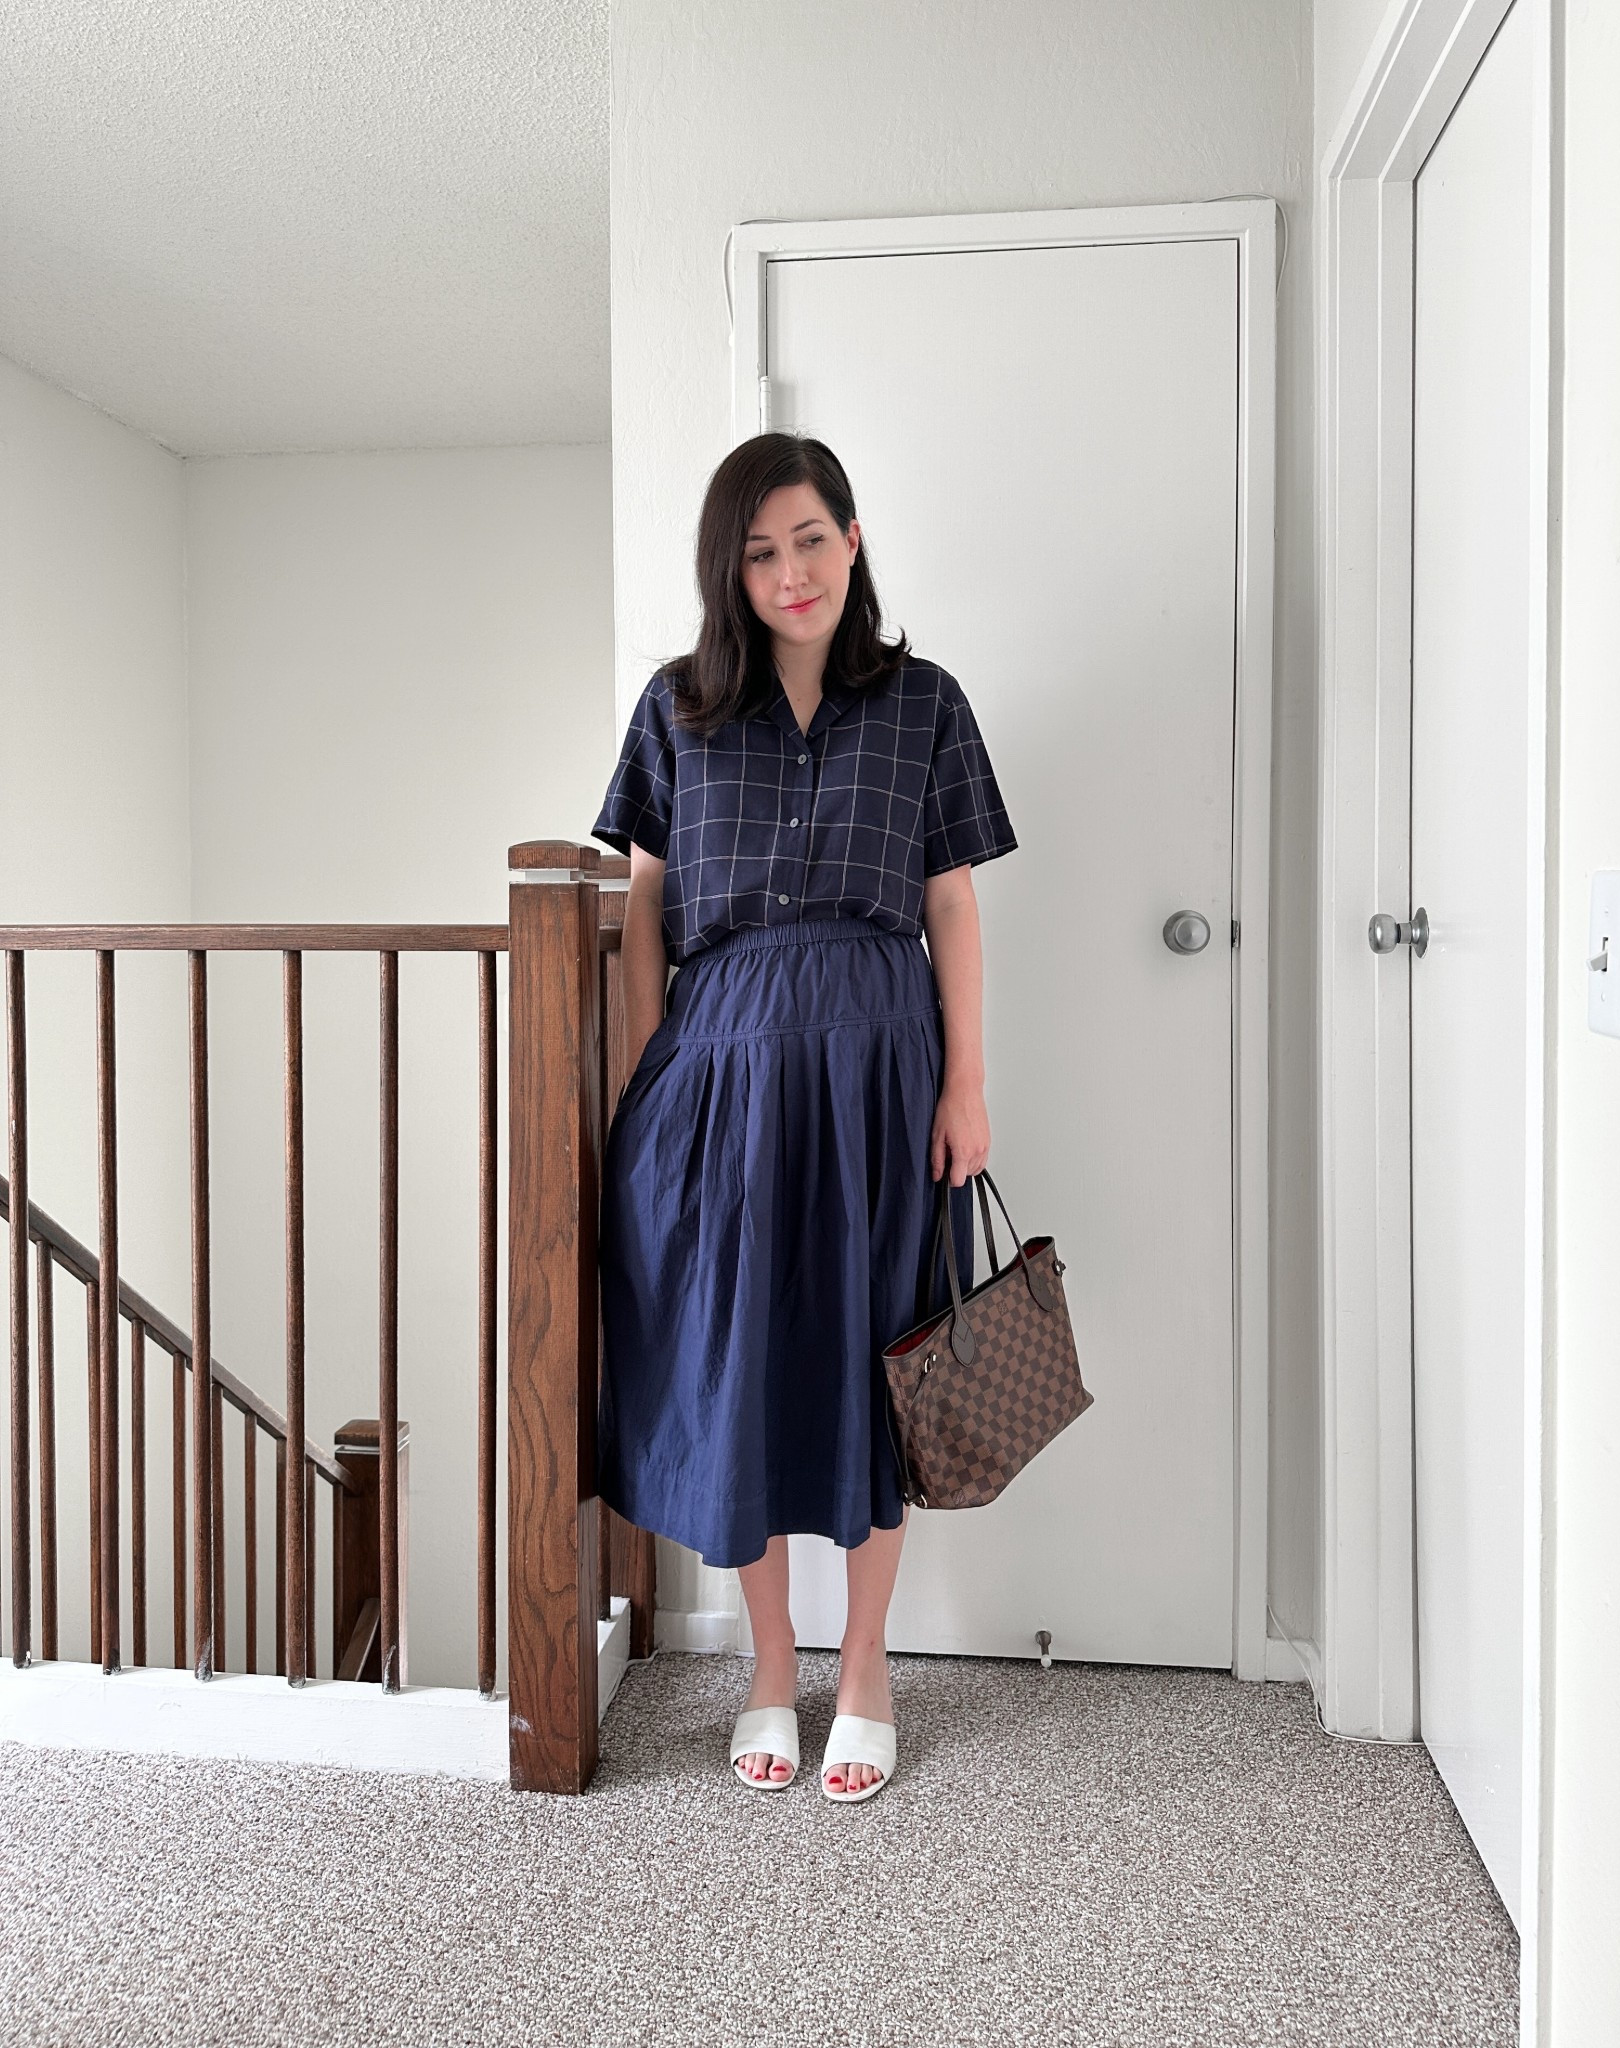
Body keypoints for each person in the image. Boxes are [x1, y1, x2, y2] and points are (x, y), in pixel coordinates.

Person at [589, 431, 1018, 1803]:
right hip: (716, 1074)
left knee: (873, 1361)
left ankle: (871, 1665)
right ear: (730, 570)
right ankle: (771, 1665)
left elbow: (950, 902)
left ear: (851, 539)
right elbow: (645, 904)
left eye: (809, 540)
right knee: (734, 1366)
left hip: (881, 1068)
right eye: (759, 551)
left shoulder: (925, 702)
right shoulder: (675, 708)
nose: (789, 573)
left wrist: (966, 1082)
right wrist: (655, 1065)